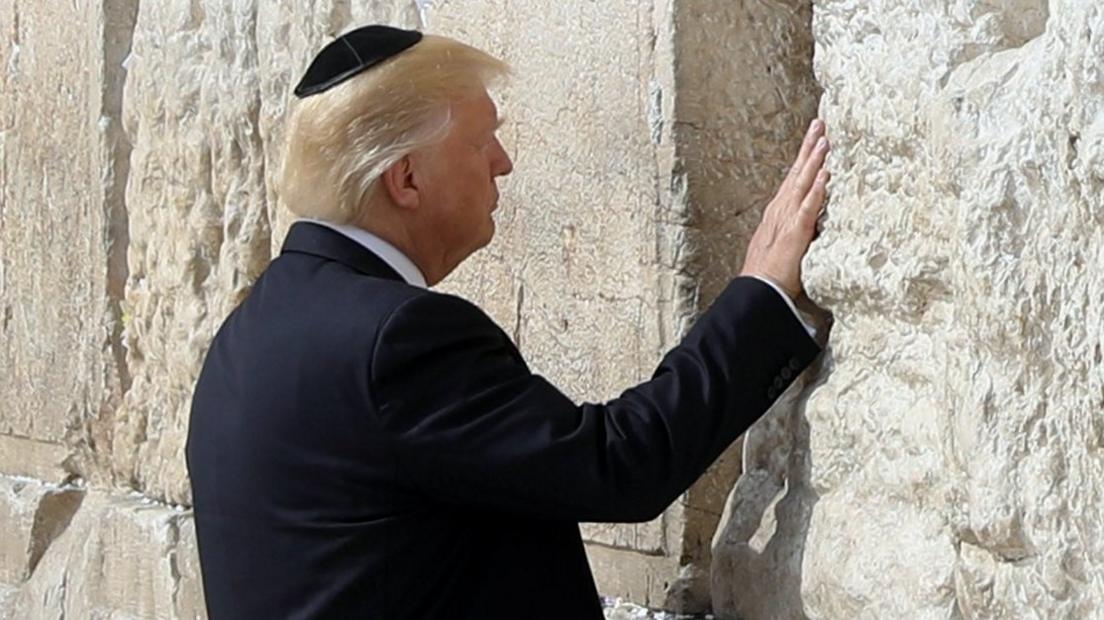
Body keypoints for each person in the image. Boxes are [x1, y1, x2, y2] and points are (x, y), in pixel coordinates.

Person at [186, 24, 832, 620]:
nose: (503, 162)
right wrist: (764, 291)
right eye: (481, 139)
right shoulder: (397, 339)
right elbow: (617, 469)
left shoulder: (255, 327)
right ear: (407, 178)